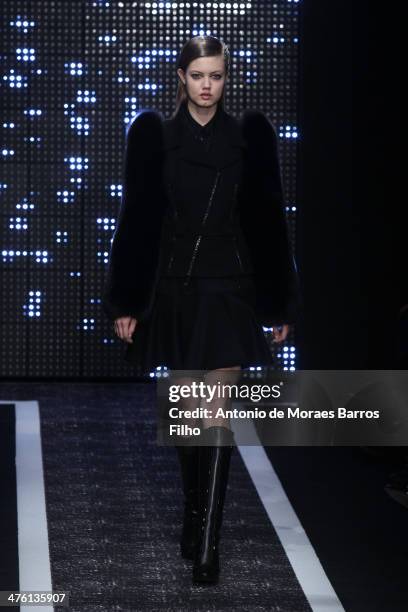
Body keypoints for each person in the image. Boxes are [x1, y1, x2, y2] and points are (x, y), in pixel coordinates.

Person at [102, 35, 302, 584]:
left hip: (231, 286)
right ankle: (194, 518)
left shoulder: (248, 139)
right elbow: (139, 217)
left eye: (216, 75)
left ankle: (208, 546)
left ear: (226, 78)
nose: (207, 85)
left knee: (215, 411)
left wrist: (277, 301)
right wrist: (128, 300)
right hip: (174, 287)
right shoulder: (156, 137)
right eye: (198, 75)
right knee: (188, 415)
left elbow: (267, 219)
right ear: (181, 77)